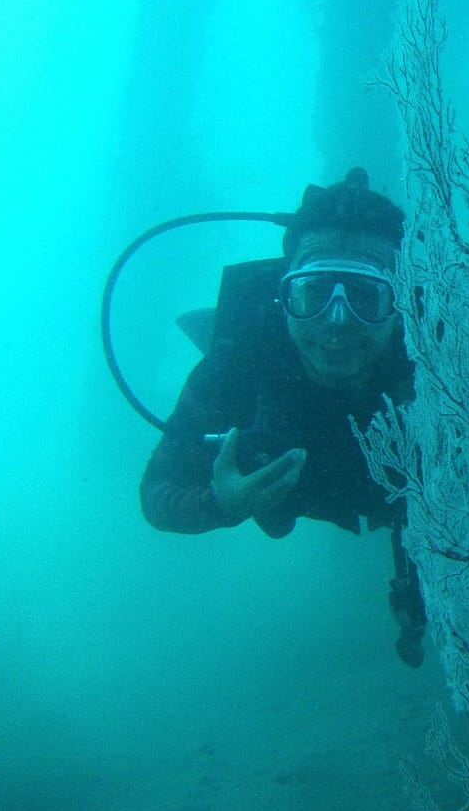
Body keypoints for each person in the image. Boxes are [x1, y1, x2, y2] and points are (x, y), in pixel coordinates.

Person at [140, 168, 427, 666]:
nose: (337, 323)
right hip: (294, 490)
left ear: (400, 305)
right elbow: (157, 491)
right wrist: (219, 503)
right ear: (282, 295)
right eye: (312, 293)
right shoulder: (237, 361)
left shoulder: (438, 361)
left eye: (366, 295)